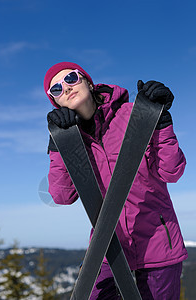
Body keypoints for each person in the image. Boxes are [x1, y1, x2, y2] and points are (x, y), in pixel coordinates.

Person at [44, 62, 188, 300]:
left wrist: (161, 122)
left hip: (158, 242)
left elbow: (171, 171)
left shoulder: (134, 115)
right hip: (107, 245)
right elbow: (62, 196)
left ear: (88, 82)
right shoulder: (71, 140)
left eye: (71, 78)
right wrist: (58, 145)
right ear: (56, 103)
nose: (66, 88)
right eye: (56, 89)